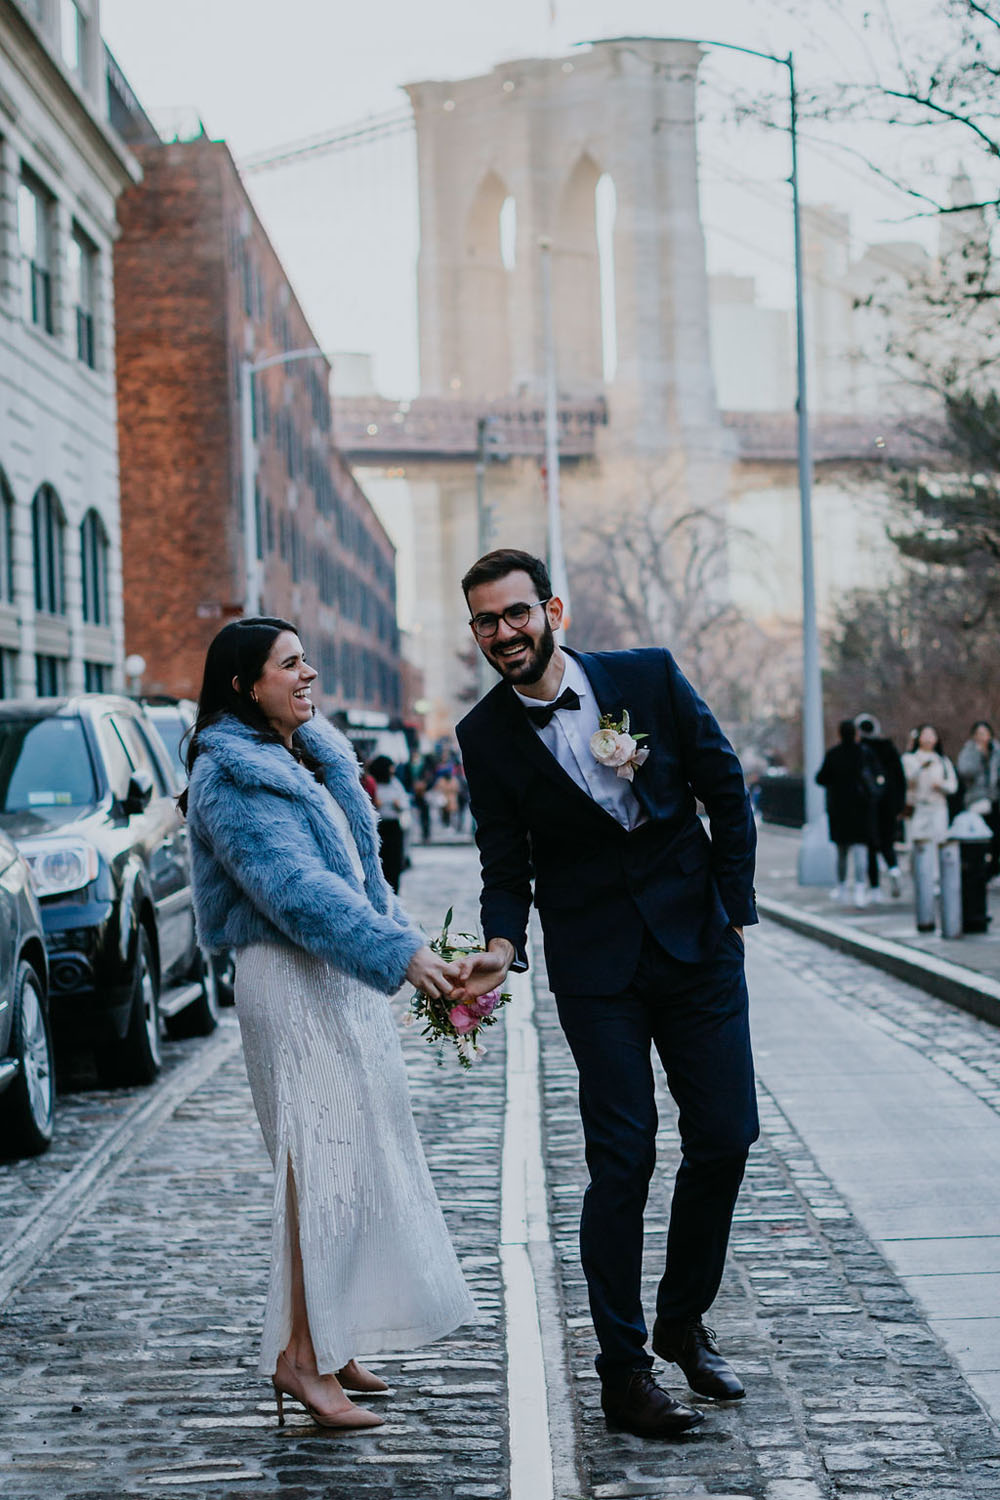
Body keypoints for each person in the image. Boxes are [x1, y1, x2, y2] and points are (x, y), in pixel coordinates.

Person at [450, 549, 758, 1441]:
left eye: (515, 614)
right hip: (597, 973)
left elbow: (723, 784)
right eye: (484, 622)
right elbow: (506, 863)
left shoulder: (648, 677)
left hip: (698, 949)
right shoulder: (484, 737)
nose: (503, 633)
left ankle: (681, 1321)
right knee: (621, 1160)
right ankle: (626, 1374)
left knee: (726, 1140)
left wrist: (733, 910)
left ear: (552, 611)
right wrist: (501, 946)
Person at [183, 618, 475, 1431]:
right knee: (319, 1166)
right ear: (245, 684)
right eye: (290, 664)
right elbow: (297, 891)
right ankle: (299, 1360)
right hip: (289, 980)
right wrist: (401, 957)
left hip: (342, 976)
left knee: (364, 1155)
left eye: (306, 658)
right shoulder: (229, 777)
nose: (309, 673)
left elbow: (361, 882)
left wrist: (420, 956)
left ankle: (335, 1338)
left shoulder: (311, 753)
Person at [815, 720, 870, 905]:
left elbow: (820, 778)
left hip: (839, 809)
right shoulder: (863, 753)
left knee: (842, 852)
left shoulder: (833, 754)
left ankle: (842, 887)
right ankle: (861, 889)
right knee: (860, 850)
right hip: (861, 808)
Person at [854, 714, 905, 899]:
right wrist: (899, 804)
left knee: (870, 847)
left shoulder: (860, 750)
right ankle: (894, 870)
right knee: (887, 842)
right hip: (888, 804)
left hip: (868, 806)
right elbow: (900, 778)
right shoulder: (888, 748)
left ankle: (875, 888)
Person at [902, 724, 958, 847]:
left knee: (939, 842)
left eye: (931, 735)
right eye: (925, 735)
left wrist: (941, 785)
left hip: (938, 807)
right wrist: (921, 770)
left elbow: (953, 786)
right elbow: (905, 781)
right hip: (917, 808)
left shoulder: (943, 760)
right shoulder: (909, 759)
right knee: (915, 844)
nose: (928, 738)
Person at [957, 720, 1000, 873]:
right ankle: (977, 869)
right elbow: (965, 771)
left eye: (985, 733)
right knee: (978, 836)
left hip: (995, 798)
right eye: (979, 734)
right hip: (976, 799)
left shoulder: (996, 750)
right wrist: (978, 754)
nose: (982, 737)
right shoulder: (969, 751)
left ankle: (994, 869)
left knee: (996, 836)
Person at [368, 754, 410, 893]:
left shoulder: (395, 783)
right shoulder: (372, 783)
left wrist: (398, 805)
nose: (392, 770)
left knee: (394, 864)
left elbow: (404, 802)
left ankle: (395, 893)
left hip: (393, 827)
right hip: (378, 827)